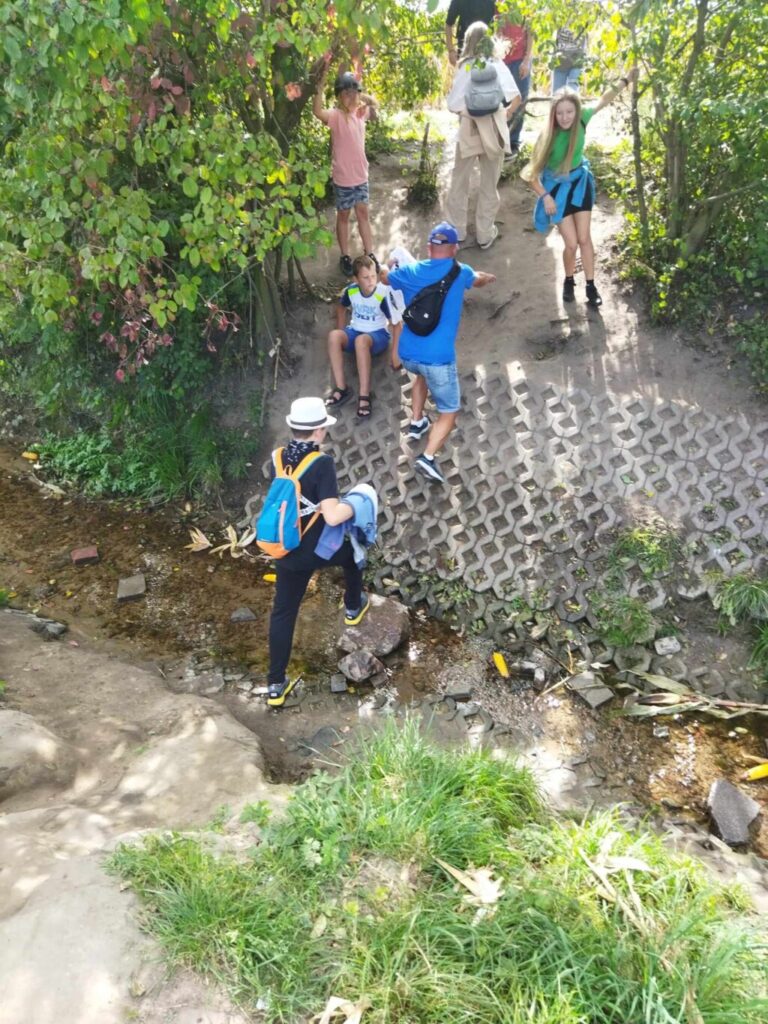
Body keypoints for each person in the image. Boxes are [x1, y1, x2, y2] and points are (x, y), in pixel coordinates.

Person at [264, 397, 369, 707]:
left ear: (294, 427)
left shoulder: (277, 457)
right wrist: (355, 506)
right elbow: (333, 516)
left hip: (285, 547)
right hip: (316, 550)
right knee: (353, 554)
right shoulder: (321, 463)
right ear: (319, 431)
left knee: (283, 612)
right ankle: (353, 607)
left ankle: (274, 685)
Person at [380, 222, 496, 484]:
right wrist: (487, 278)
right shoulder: (461, 272)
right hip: (439, 359)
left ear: (429, 248)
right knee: (449, 410)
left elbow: (385, 277)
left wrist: (386, 264)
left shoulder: (410, 271)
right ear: (454, 249)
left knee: (421, 375)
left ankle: (417, 421)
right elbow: (477, 280)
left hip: (408, 353)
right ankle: (428, 457)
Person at [523, 69, 638, 308]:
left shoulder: (583, 118)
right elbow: (530, 175)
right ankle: (568, 280)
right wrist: (545, 197)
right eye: (560, 113)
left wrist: (626, 80)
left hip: (580, 184)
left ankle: (590, 285)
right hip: (557, 191)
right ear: (553, 114)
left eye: (569, 112)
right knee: (572, 243)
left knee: (585, 238)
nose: (565, 117)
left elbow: (604, 99)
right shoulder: (547, 137)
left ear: (576, 111)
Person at [444, 21, 520, 250]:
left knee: (459, 181)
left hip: (469, 129)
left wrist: (471, 113)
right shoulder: (497, 64)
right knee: (489, 183)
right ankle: (484, 234)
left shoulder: (465, 66)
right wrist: (503, 115)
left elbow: (452, 104)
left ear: (468, 42)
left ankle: (457, 231)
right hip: (494, 129)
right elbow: (516, 97)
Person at [313, 63, 378, 278]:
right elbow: (317, 111)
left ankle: (369, 253)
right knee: (343, 216)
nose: (350, 98)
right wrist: (320, 88)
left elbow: (375, 107)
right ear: (339, 96)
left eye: (353, 93)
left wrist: (363, 97)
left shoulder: (361, 113)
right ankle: (344, 255)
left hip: (361, 177)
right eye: (346, 94)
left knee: (363, 215)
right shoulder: (335, 116)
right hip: (343, 179)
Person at [325, 255, 400, 419]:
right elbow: (341, 308)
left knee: (361, 341)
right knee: (334, 336)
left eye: (373, 276)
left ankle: (364, 395)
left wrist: (395, 353)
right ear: (356, 279)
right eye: (365, 277)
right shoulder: (351, 290)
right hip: (355, 331)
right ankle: (341, 388)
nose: (371, 280)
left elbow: (395, 324)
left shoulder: (382, 294)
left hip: (377, 336)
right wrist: (341, 330)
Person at [498, 11, 534, 154]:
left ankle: (513, 141)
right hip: (503, 58)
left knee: (519, 100)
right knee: (502, 101)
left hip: (520, 59)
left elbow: (531, 33)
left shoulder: (527, 5)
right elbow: (498, 30)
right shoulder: (501, 4)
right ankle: (501, 139)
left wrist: (526, 61)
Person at [445, 0, 496, 66]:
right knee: (466, 74)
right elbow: (448, 24)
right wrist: (451, 50)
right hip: (465, 50)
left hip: (488, 49)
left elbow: (500, 15)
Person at [552, 26, 588, 93]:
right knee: (557, 94)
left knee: (572, 91)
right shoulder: (560, 20)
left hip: (577, 62)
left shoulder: (583, 20)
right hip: (560, 62)